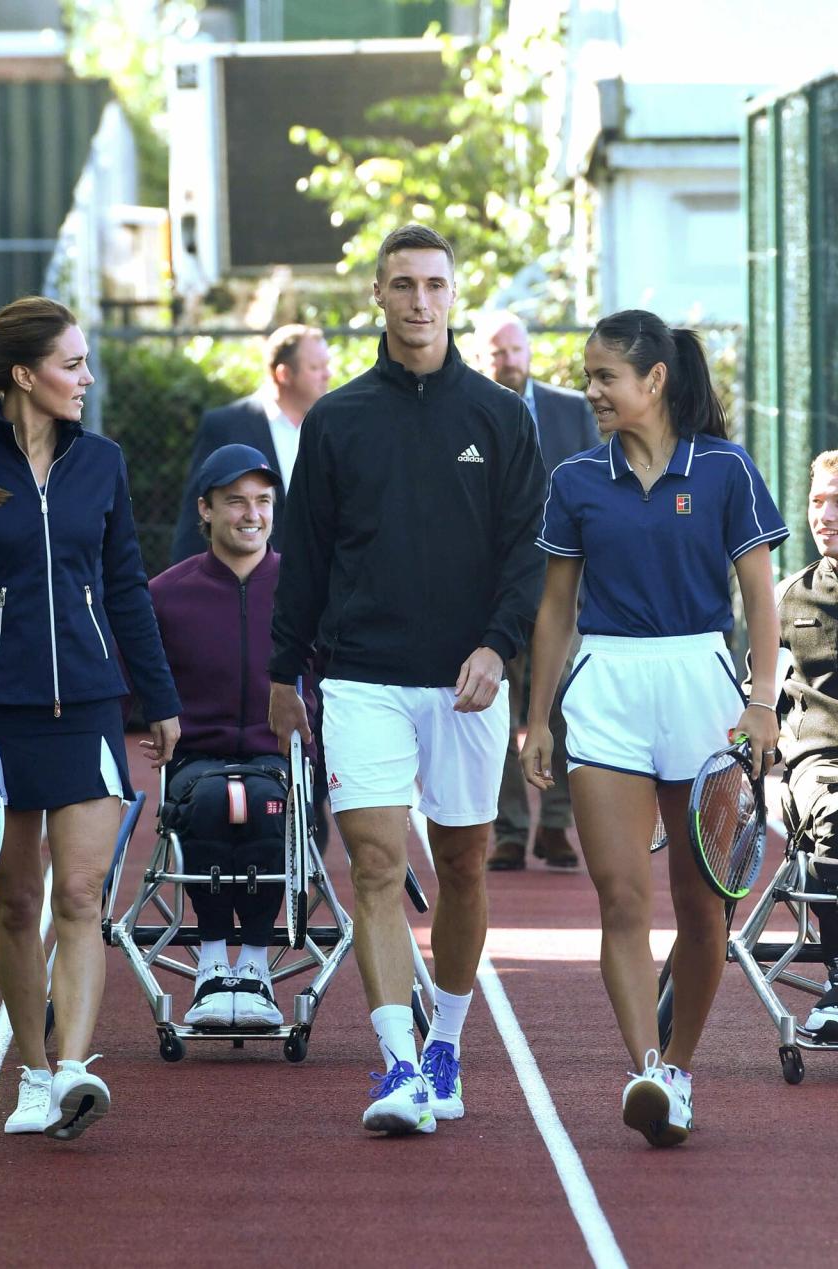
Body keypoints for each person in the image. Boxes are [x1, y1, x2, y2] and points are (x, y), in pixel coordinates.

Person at [268, 224, 546, 1136]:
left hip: (465, 681)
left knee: (465, 863)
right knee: (377, 866)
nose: (420, 300)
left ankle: (446, 1046)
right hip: (362, 680)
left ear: (453, 295)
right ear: (378, 298)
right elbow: (302, 560)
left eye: (435, 284)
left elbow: (525, 556)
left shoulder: (502, 418)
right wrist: (282, 672)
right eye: (403, 284)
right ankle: (395, 1065)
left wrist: (497, 646)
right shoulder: (337, 420)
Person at [0, 296, 181, 1142]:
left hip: (91, 708)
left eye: (87, 362)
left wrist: (160, 697)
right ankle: (31, 1072)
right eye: (73, 364)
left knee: (85, 894)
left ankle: (72, 1069)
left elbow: (128, 585)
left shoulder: (101, 462)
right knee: (19, 903)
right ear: (24, 375)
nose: (87, 379)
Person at [521, 308, 786, 1147]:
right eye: (588, 376)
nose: (590, 390)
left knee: (704, 907)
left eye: (604, 377)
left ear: (654, 380)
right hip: (605, 692)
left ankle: (679, 1064)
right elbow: (555, 608)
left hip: (702, 689)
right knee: (621, 898)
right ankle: (647, 1069)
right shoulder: (573, 480)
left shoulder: (727, 470)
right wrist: (537, 718)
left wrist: (762, 697)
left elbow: (760, 597)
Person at [148, 443, 317, 1030]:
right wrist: (152, 714)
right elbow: (138, 678)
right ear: (206, 510)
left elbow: (333, 676)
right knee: (221, 801)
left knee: (271, 808)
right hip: (198, 763)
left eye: (263, 502)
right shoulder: (166, 593)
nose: (252, 514)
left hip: (282, 763)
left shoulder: (305, 588)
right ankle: (213, 964)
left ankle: (256, 967)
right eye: (236, 501)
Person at [472, 310, 599, 871]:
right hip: (491, 585)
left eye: (516, 350)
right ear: (481, 356)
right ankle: (508, 829)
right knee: (495, 705)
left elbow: (598, 484)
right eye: (498, 352)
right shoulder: (468, 412)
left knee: (563, 702)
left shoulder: (572, 410)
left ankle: (554, 824)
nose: (510, 361)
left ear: (530, 352)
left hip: (561, 584)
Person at [171, 324, 331, 563]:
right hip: (245, 585)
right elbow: (195, 518)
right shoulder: (227, 424)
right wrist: (186, 589)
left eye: (327, 365)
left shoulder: (330, 429)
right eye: (316, 367)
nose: (328, 374)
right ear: (284, 374)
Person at [775, 450, 838, 1040]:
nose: (826, 514)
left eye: (837, 501)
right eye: (818, 500)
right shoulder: (790, 596)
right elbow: (757, 689)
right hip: (820, 761)